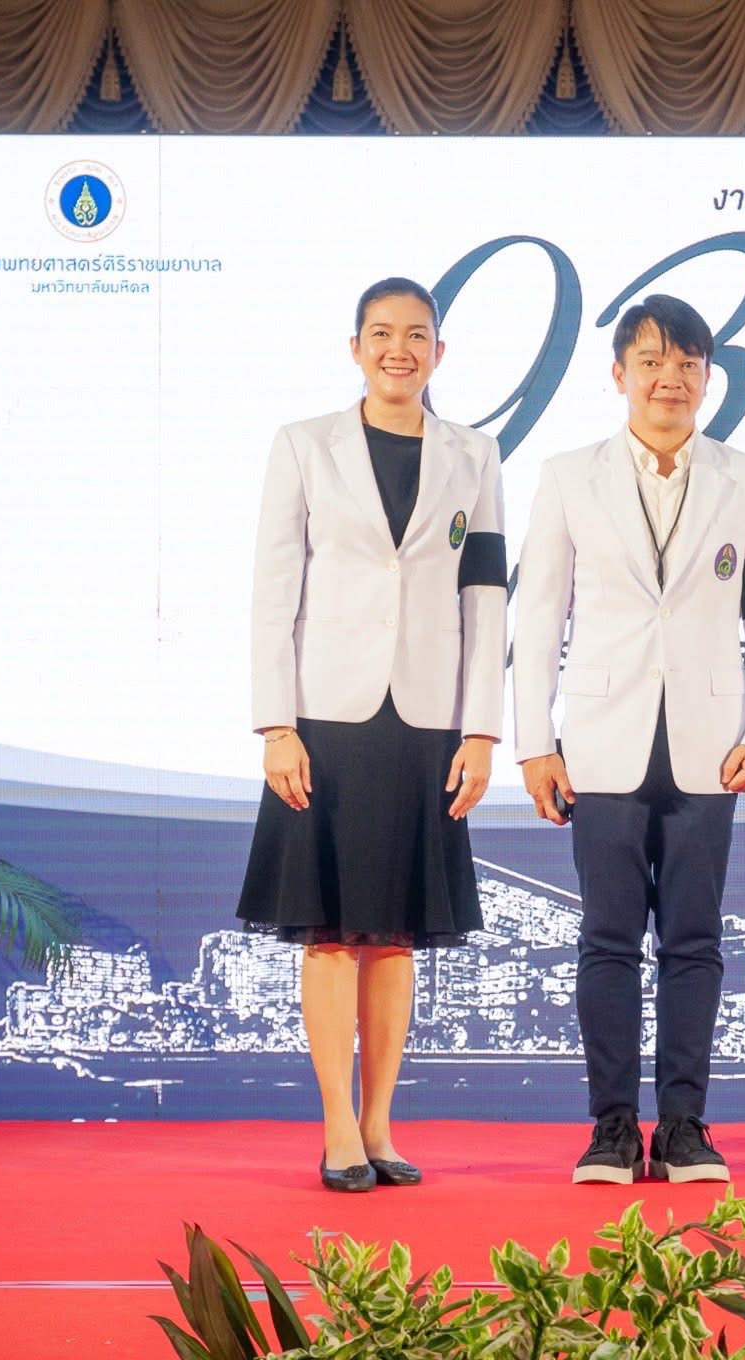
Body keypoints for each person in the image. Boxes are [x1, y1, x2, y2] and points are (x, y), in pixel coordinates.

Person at [513, 294, 745, 1185]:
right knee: (606, 939)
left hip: (712, 742)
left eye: (687, 363)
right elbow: (539, 611)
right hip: (600, 738)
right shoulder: (569, 475)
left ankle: (683, 1128)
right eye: (651, 361)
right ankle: (610, 1129)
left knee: (694, 940)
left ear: (708, 377)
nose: (669, 378)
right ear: (620, 374)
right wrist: (534, 741)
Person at [236, 277, 507, 1192]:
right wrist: (276, 724)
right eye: (382, 333)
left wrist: (482, 731)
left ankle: (383, 1125)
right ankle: (338, 1128)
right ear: (355, 347)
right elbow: (274, 589)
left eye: (417, 335)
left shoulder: (475, 455)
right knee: (330, 934)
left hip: (427, 720)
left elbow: (486, 596)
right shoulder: (303, 444)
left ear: (440, 352)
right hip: (326, 717)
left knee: (396, 936)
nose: (400, 349)